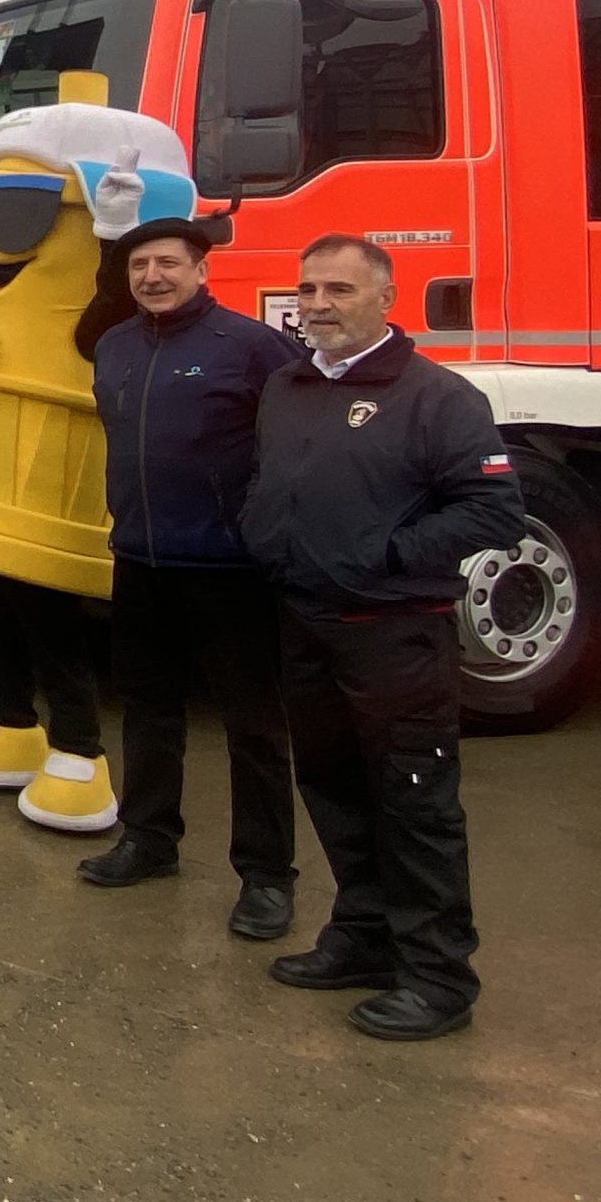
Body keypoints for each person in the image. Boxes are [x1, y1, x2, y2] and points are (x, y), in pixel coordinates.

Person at [242, 235, 523, 1042]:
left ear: (385, 299)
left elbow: (491, 511)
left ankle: (437, 977)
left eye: (340, 289)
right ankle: (363, 938)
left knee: (414, 805)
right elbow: (271, 483)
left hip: (394, 635)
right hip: (306, 623)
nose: (318, 304)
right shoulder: (288, 386)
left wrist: (388, 555)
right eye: (307, 288)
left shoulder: (438, 397)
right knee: (332, 788)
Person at [80, 219, 302, 940]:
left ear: (200, 271)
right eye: (140, 265)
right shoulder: (113, 346)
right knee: (148, 709)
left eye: (168, 263)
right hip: (141, 559)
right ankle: (149, 839)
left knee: (254, 727)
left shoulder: (249, 347)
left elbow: (292, 449)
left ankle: (267, 876)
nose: (152, 276)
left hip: (229, 568)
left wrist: (262, 533)